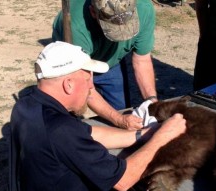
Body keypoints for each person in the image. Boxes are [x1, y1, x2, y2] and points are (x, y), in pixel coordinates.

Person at [9, 41, 187, 191]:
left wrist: (144, 134)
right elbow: (123, 180)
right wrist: (163, 137)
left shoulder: (26, 105)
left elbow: (87, 133)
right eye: (87, 80)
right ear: (68, 84)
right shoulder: (60, 130)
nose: (91, 88)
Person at [52, 0, 157, 130]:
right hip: (74, 60)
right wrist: (119, 120)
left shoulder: (144, 9)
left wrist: (152, 101)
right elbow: (84, 83)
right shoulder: (75, 27)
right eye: (113, 27)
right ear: (93, 12)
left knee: (121, 109)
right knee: (68, 120)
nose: (122, 34)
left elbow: (142, 60)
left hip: (111, 62)